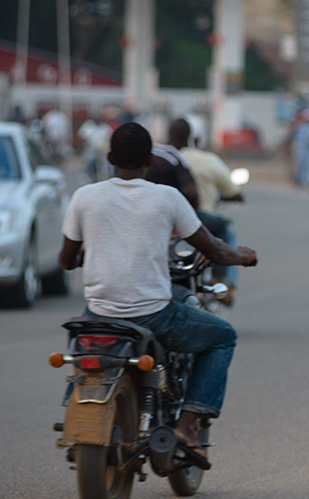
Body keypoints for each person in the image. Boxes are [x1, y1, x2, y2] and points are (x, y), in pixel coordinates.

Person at [57, 123, 257, 450]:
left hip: (99, 312)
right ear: (149, 160)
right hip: (153, 317)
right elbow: (213, 249)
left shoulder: (84, 197)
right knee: (223, 336)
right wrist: (241, 257)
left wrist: (87, 254)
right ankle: (186, 427)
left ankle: (75, 407)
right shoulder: (166, 197)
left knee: (82, 346)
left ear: (109, 158)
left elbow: (65, 260)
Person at [169, 118, 244, 304]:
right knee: (225, 228)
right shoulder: (207, 160)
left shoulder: (161, 159)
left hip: (165, 220)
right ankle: (223, 282)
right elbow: (233, 191)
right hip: (198, 219)